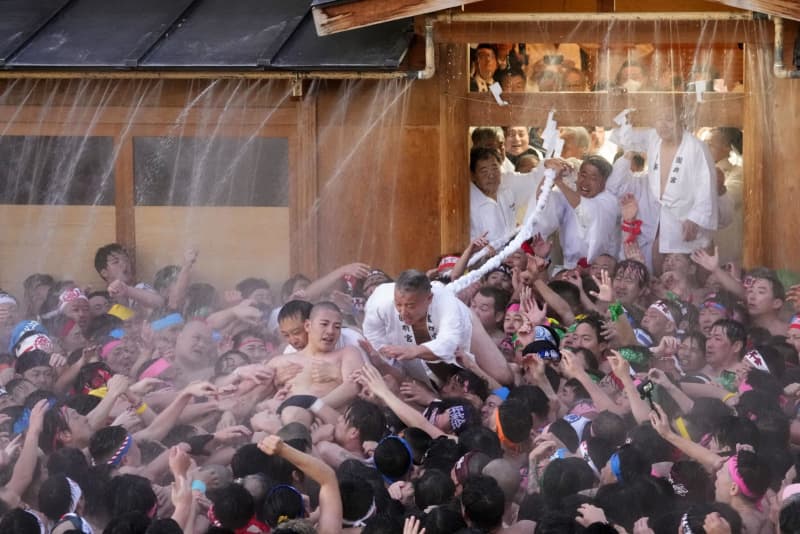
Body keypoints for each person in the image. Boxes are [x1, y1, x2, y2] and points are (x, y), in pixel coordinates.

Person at [608, 101, 719, 271]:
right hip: (665, 214)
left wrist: (695, 218)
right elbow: (625, 137)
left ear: (681, 119)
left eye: (669, 119)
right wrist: (628, 118)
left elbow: (706, 185)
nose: (663, 125)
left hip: (686, 212)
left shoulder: (696, 147)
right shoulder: (653, 137)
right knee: (662, 261)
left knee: (693, 265)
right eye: (658, 119)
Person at [363, 270, 513, 388]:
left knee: (504, 378)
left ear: (429, 299)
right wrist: (383, 352)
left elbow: (448, 343)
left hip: (463, 328)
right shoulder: (379, 301)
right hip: (417, 347)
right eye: (398, 305)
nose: (402, 312)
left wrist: (413, 351)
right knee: (445, 386)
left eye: (410, 306)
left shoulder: (447, 303)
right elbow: (372, 332)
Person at [266, 302, 362, 409]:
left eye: (297, 332)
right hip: (289, 421)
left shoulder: (349, 346)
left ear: (307, 325)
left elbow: (356, 386)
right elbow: (252, 400)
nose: (293, 340)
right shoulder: (281, 360)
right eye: (286, 335)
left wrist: (313, 408)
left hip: (333, 420)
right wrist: (274, 385)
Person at [469, 147, 517, 243]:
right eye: (484, 171)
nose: (491, 176)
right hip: (486, 256)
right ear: (473, 175)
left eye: (495, 168)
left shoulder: (506, 191)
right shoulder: (468, 202)